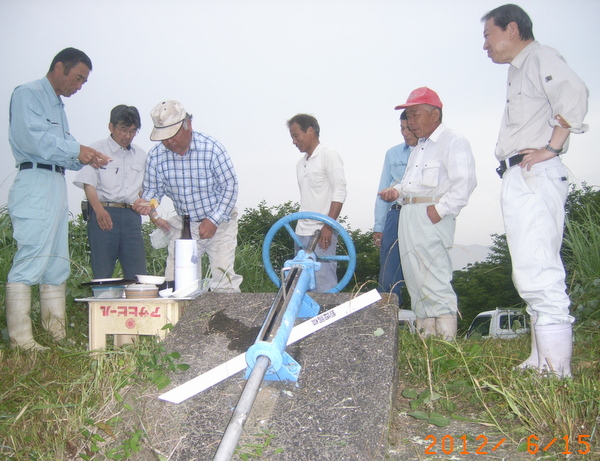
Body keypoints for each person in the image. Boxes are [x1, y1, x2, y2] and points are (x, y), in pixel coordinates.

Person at [482, 4, 588, 377]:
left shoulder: (541, 56)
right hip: (520, 174)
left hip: (535, 172)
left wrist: (553, 147)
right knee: (528, 269)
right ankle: (540, 357)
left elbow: (574, 91)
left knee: (540, 268)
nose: (485, 45)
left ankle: (557, 370)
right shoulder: (519, 69)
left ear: (511, 29)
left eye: (488, 35)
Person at [6, 48, 111, 350]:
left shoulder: (58, 107)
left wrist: (86, 157)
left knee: (56, 261)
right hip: (34, 180)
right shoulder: (27, 94)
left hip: (55, 182)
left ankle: (56, 333)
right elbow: (31, 139)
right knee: (32, 255)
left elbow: (64, 148)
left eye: (83, 82)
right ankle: (21, 339)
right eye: (77, 78)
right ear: (59, 67)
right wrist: (77, 150)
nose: (79, 86)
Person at [379, 87, 477, 339]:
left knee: (434, 277)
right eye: (408, 116)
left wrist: (440, 210)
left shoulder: (453, 140)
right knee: (415, 279)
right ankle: (427, 342)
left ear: (435, 114)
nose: (411, 121)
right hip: (408, 214)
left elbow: (465, 183)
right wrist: (396, 191)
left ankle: (446, 343)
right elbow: (410, 184)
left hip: (430, 215)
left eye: (415, 114)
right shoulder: (419, 147)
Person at [133, 100, 242, 292]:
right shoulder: (156, 157)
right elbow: (153, 191)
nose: (169, 142)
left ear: (188, 125)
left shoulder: (212, 149)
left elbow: (230, 187)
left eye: (172, 135)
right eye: (163, 138)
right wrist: (147, 203)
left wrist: (213, 220)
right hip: (184, 225)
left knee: (223, 280)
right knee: (177, 283)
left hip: (220, 222)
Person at [74, 105, 147, 280]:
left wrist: (151, 211)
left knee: (138, 274)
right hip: (104, 213)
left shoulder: (141, 155)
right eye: (123, 129)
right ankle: (103, 298)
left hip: (131, 216)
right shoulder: (96, 150)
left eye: (133, 131)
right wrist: (99, 211)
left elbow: (145, 190)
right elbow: (88, 183)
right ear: (111, 127)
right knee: (103, 271)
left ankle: (137, 298)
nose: (127, 136)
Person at [287, 114, 347, 292]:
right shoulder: (300, 164)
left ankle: (328, 310)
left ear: (310, 131)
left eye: (296, 136)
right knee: (301, 284)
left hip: (322, 232)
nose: (294, 141)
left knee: (324, 282)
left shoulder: (329, 155)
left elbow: (340, 190)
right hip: (300, 233)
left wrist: (328, 226)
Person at [374, 110, 418, 305]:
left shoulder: (432, 152)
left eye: (409, 128)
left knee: (422, 271)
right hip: (396, 215)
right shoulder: (392, 153)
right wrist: (379, 226)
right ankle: (386, 318)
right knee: (388, 274)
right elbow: (383, 188)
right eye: (402, 128)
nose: (405, 133)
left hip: (420, 214)